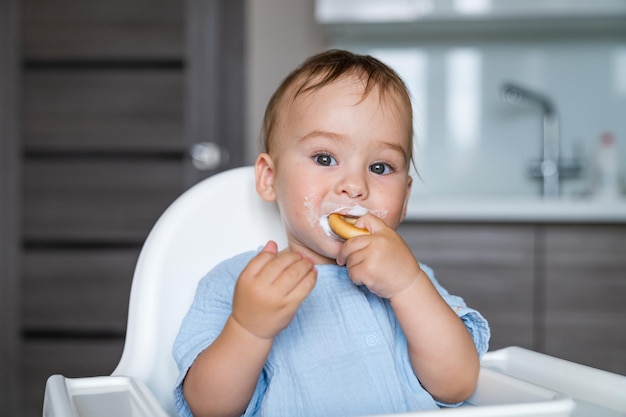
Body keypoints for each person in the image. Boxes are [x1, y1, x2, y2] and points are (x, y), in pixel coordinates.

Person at [173, 49, 490, 417]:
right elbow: (208, 409)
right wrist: (248, 329)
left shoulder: (411, 281)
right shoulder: (237, 283)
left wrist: (408, 286)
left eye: (380, 166)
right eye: (325, 158)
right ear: (270, 178)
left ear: (405, 197)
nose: (355, 186)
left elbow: (457, 386)